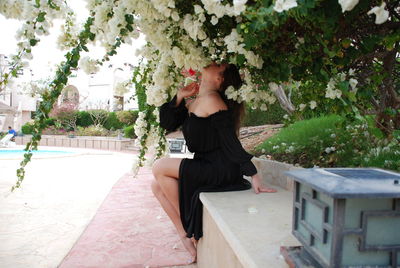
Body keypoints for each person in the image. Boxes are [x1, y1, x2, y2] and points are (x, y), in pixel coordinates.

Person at [151, 62, 277, 263]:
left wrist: (252, 173)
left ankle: (188, 230)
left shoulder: (213, 100)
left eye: (218, 65)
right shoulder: (196, 101)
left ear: (219, 79)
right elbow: (167, 123)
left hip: (220, 168)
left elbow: (229, 140)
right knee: (156, 185)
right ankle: (184, 235)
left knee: (159, 167)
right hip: (206, 164)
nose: (212, 62)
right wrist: (180, 96)